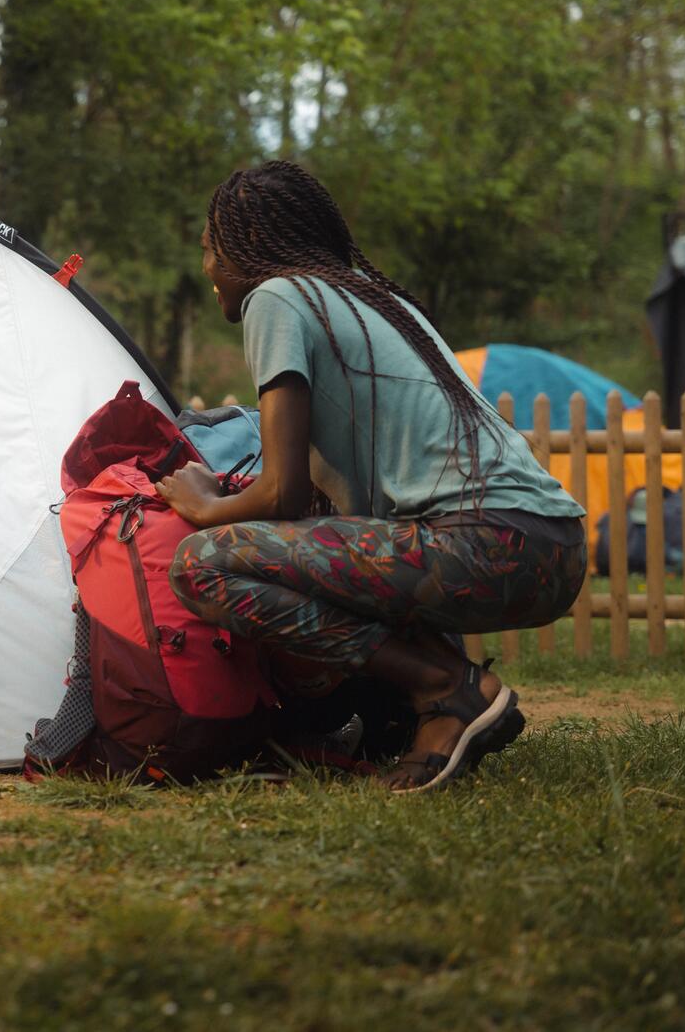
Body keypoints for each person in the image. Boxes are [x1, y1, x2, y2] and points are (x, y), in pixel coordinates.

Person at [155, 161, 587, 792]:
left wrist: (202, 501)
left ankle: (448, 689)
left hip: (486, 542)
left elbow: (282, 493)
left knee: (203, 563)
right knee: (330, 546)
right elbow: (338, 512)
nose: (207, 269)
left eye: (209, 249)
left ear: (245, 249)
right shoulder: (366, 300)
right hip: (552, 546)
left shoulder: (275, 297)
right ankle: (441, 708)